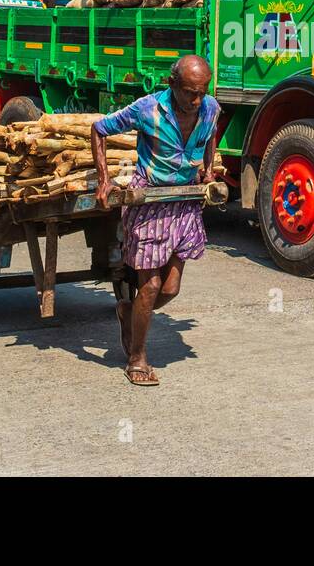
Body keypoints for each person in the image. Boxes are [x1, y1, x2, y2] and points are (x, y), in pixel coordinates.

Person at [92, 55, 220, 387]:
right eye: (190, 92)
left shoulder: (210, 109)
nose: (196, 100)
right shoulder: (146, 109)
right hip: (149, 201)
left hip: (185, 202)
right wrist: (104, 180)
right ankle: (137, 357)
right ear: (172, 83)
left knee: (171, 288)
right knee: (148, 286)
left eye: (202, 92)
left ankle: (127, 312)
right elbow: (99, 129)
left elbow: (211, 136)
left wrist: (207, 169)